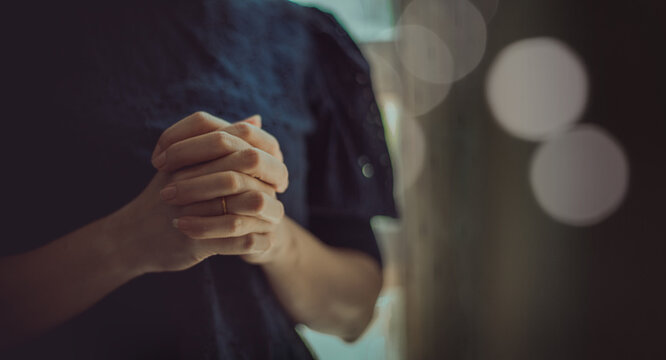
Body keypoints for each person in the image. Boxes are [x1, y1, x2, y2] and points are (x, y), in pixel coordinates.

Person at [0, 0, 397, 358]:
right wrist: (126, 242)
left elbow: (355, 309)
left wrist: (272, 237)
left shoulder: (307, 40)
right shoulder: (21, 26)